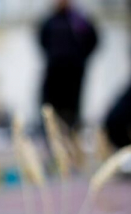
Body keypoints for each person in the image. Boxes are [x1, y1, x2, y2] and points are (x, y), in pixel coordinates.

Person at [39, 0, 98, 131]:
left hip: (73, 76)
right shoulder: (49, 21)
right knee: (52, 112)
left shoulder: (79, 21)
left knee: (71, 113)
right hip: (54, 75)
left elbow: (93, 40)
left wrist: (80, 59)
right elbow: (42, 41)